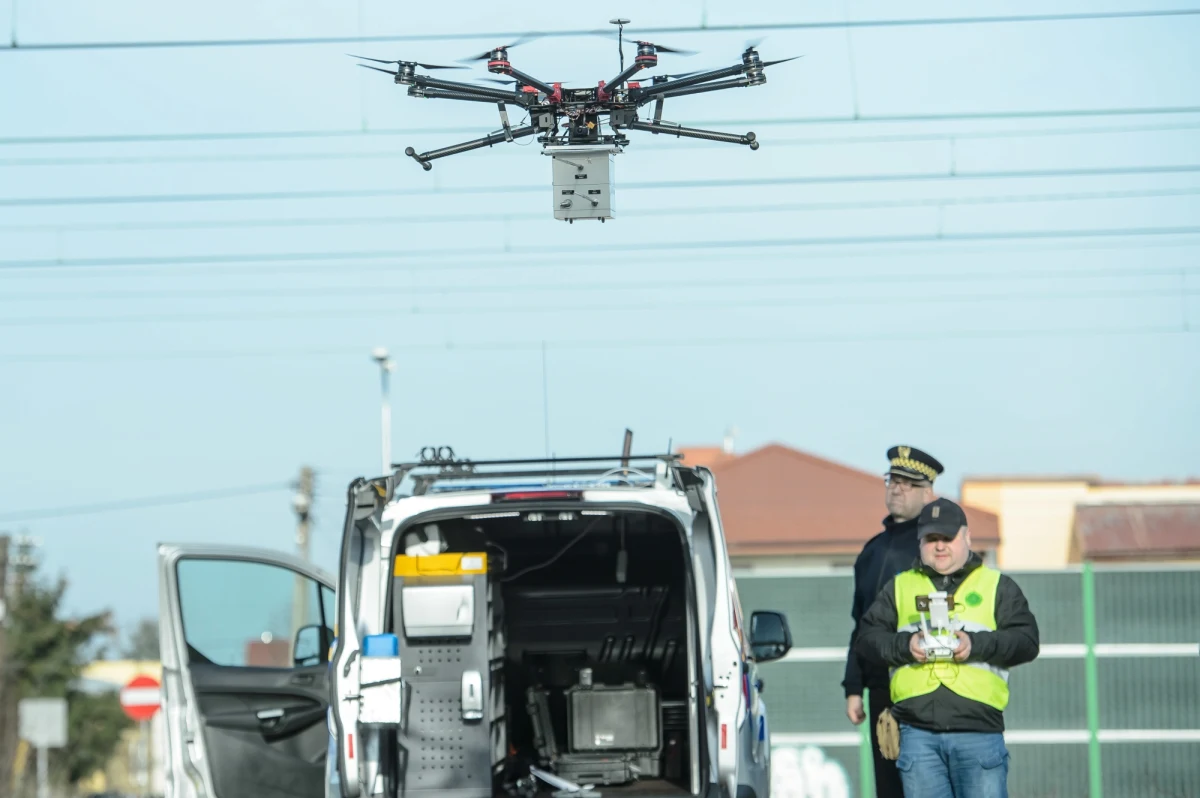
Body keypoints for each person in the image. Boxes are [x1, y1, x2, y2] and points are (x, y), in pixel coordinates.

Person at [855, 498, 1040, 798]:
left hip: (978, 732)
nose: (940, 546)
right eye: (931, 538)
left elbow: (1027, 642)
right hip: (917, 734)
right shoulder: (899, 587)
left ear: (966, 537)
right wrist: (906, 646)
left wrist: (974, 644)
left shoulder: (997, 586)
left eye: (948, 537)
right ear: (919, 542)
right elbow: (866, 639)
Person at [843, 445, 942, 798]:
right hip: (882, 691)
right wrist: (853, 687)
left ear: (928, 493)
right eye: (893, 480)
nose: (897, 488)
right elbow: (860, 624)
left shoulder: (935, 548)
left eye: (908, 483)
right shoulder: (872, 551)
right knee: (889, 787)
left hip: (926, 688)